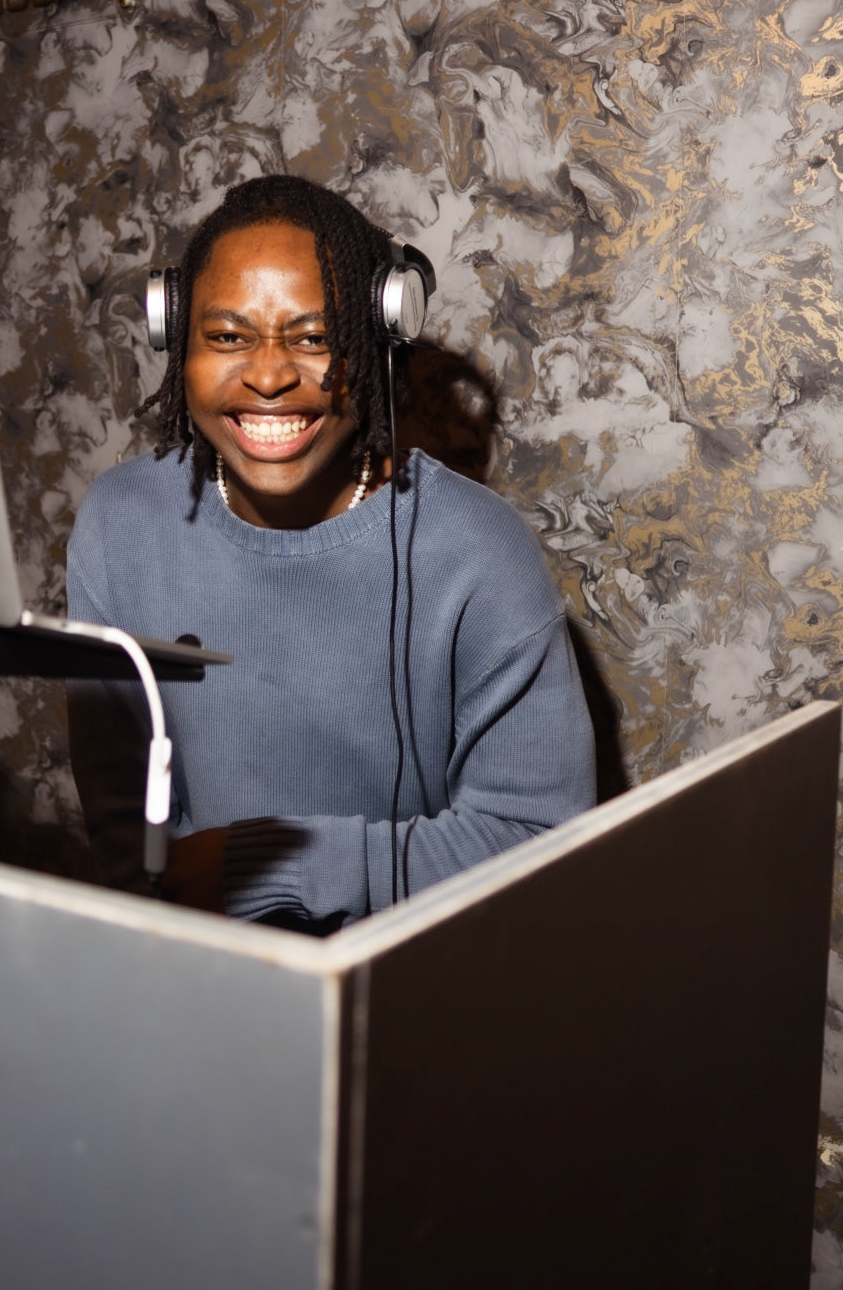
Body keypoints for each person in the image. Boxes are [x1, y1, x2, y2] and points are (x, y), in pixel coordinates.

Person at [65, 174, 595, 927]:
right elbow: (128, 839)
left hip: (414, 979)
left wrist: (270, 866)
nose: (270, 375)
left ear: (378, 342)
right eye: (228, 336)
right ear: (176, 340)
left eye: (315, 338)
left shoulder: (479, 553)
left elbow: (541, 843)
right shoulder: (120, 525)